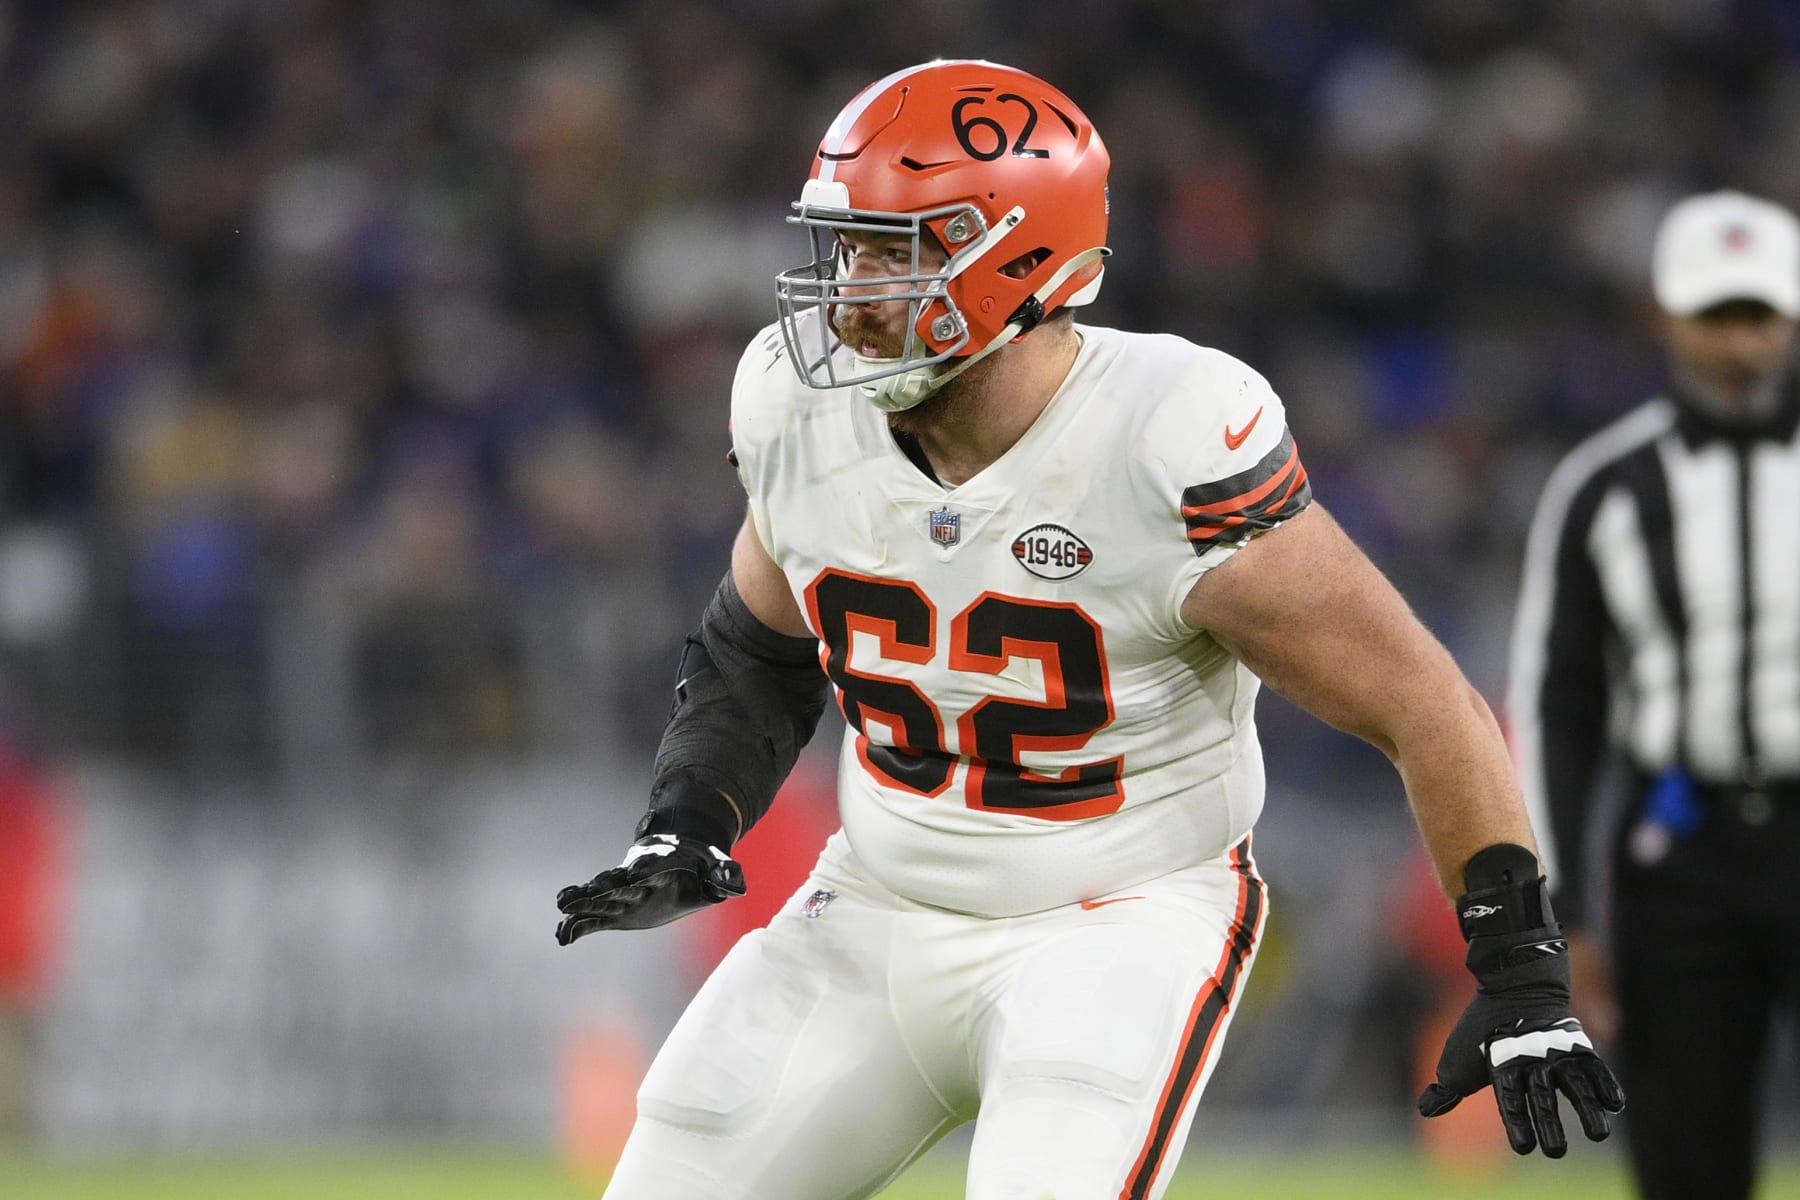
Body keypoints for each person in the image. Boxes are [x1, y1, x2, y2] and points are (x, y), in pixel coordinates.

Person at [557, 59, 1622, 1199]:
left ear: (1016, 262)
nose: (848, 293)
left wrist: (1520, 967)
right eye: (845, 248)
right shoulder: (799, 403)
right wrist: (688, 820)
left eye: (890, 253)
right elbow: (757, 647)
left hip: (1116, 920)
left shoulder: (1162, 440)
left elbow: (1422, 702)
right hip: (874, 902)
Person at [1510, 188, 1800, 1200]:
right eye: (1716, 315)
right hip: (1680, 852)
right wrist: (1566, 912)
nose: (1739, 344)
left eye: (1758, 315)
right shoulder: (1604, 487)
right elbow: (1559, 706)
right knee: (1686, 1152)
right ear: (1665, 317)